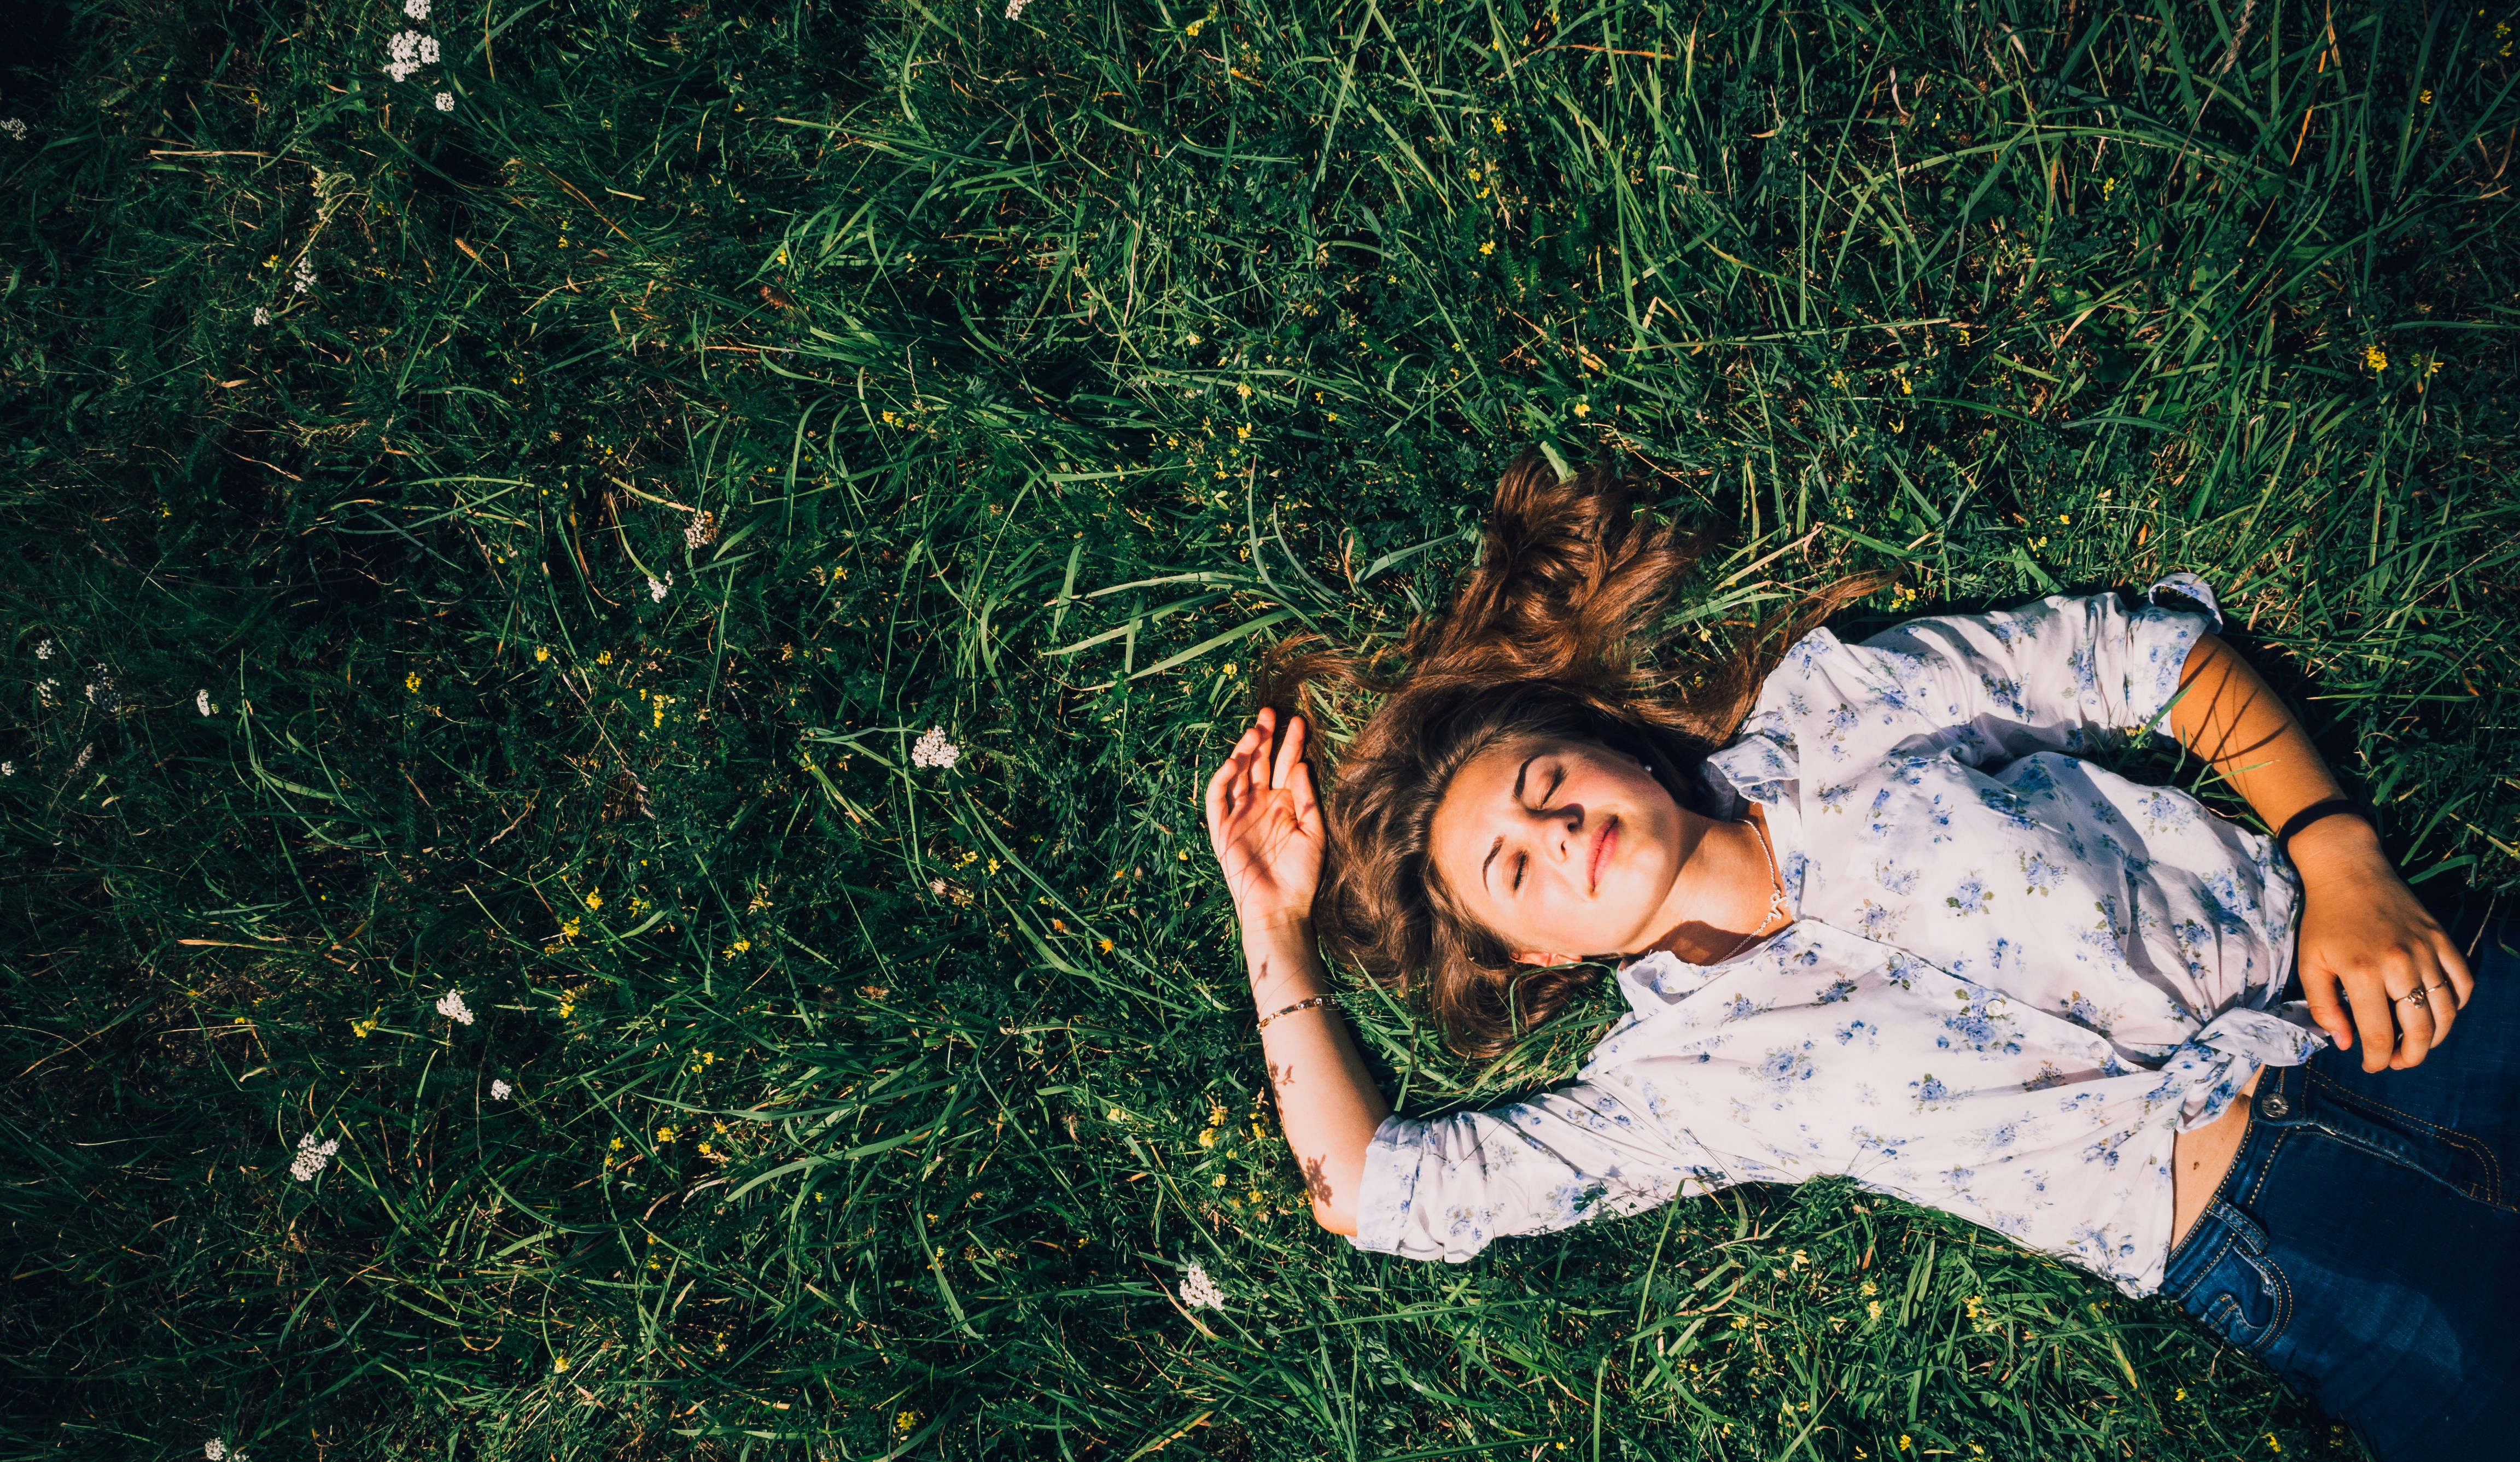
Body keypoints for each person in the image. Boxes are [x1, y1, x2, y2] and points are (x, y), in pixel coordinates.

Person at [1200, 450, 2515, 1458]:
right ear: (1535, 947)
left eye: (1546, 781)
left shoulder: (1836, 713)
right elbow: (1373, 1190)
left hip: (2376, 987)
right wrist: (1271, 920)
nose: (1558, 832)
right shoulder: (1671, 1087)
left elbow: (2139, 657)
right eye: (1516, 869)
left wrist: (2340, 854)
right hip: (2295, 1243)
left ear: (1609, 747)